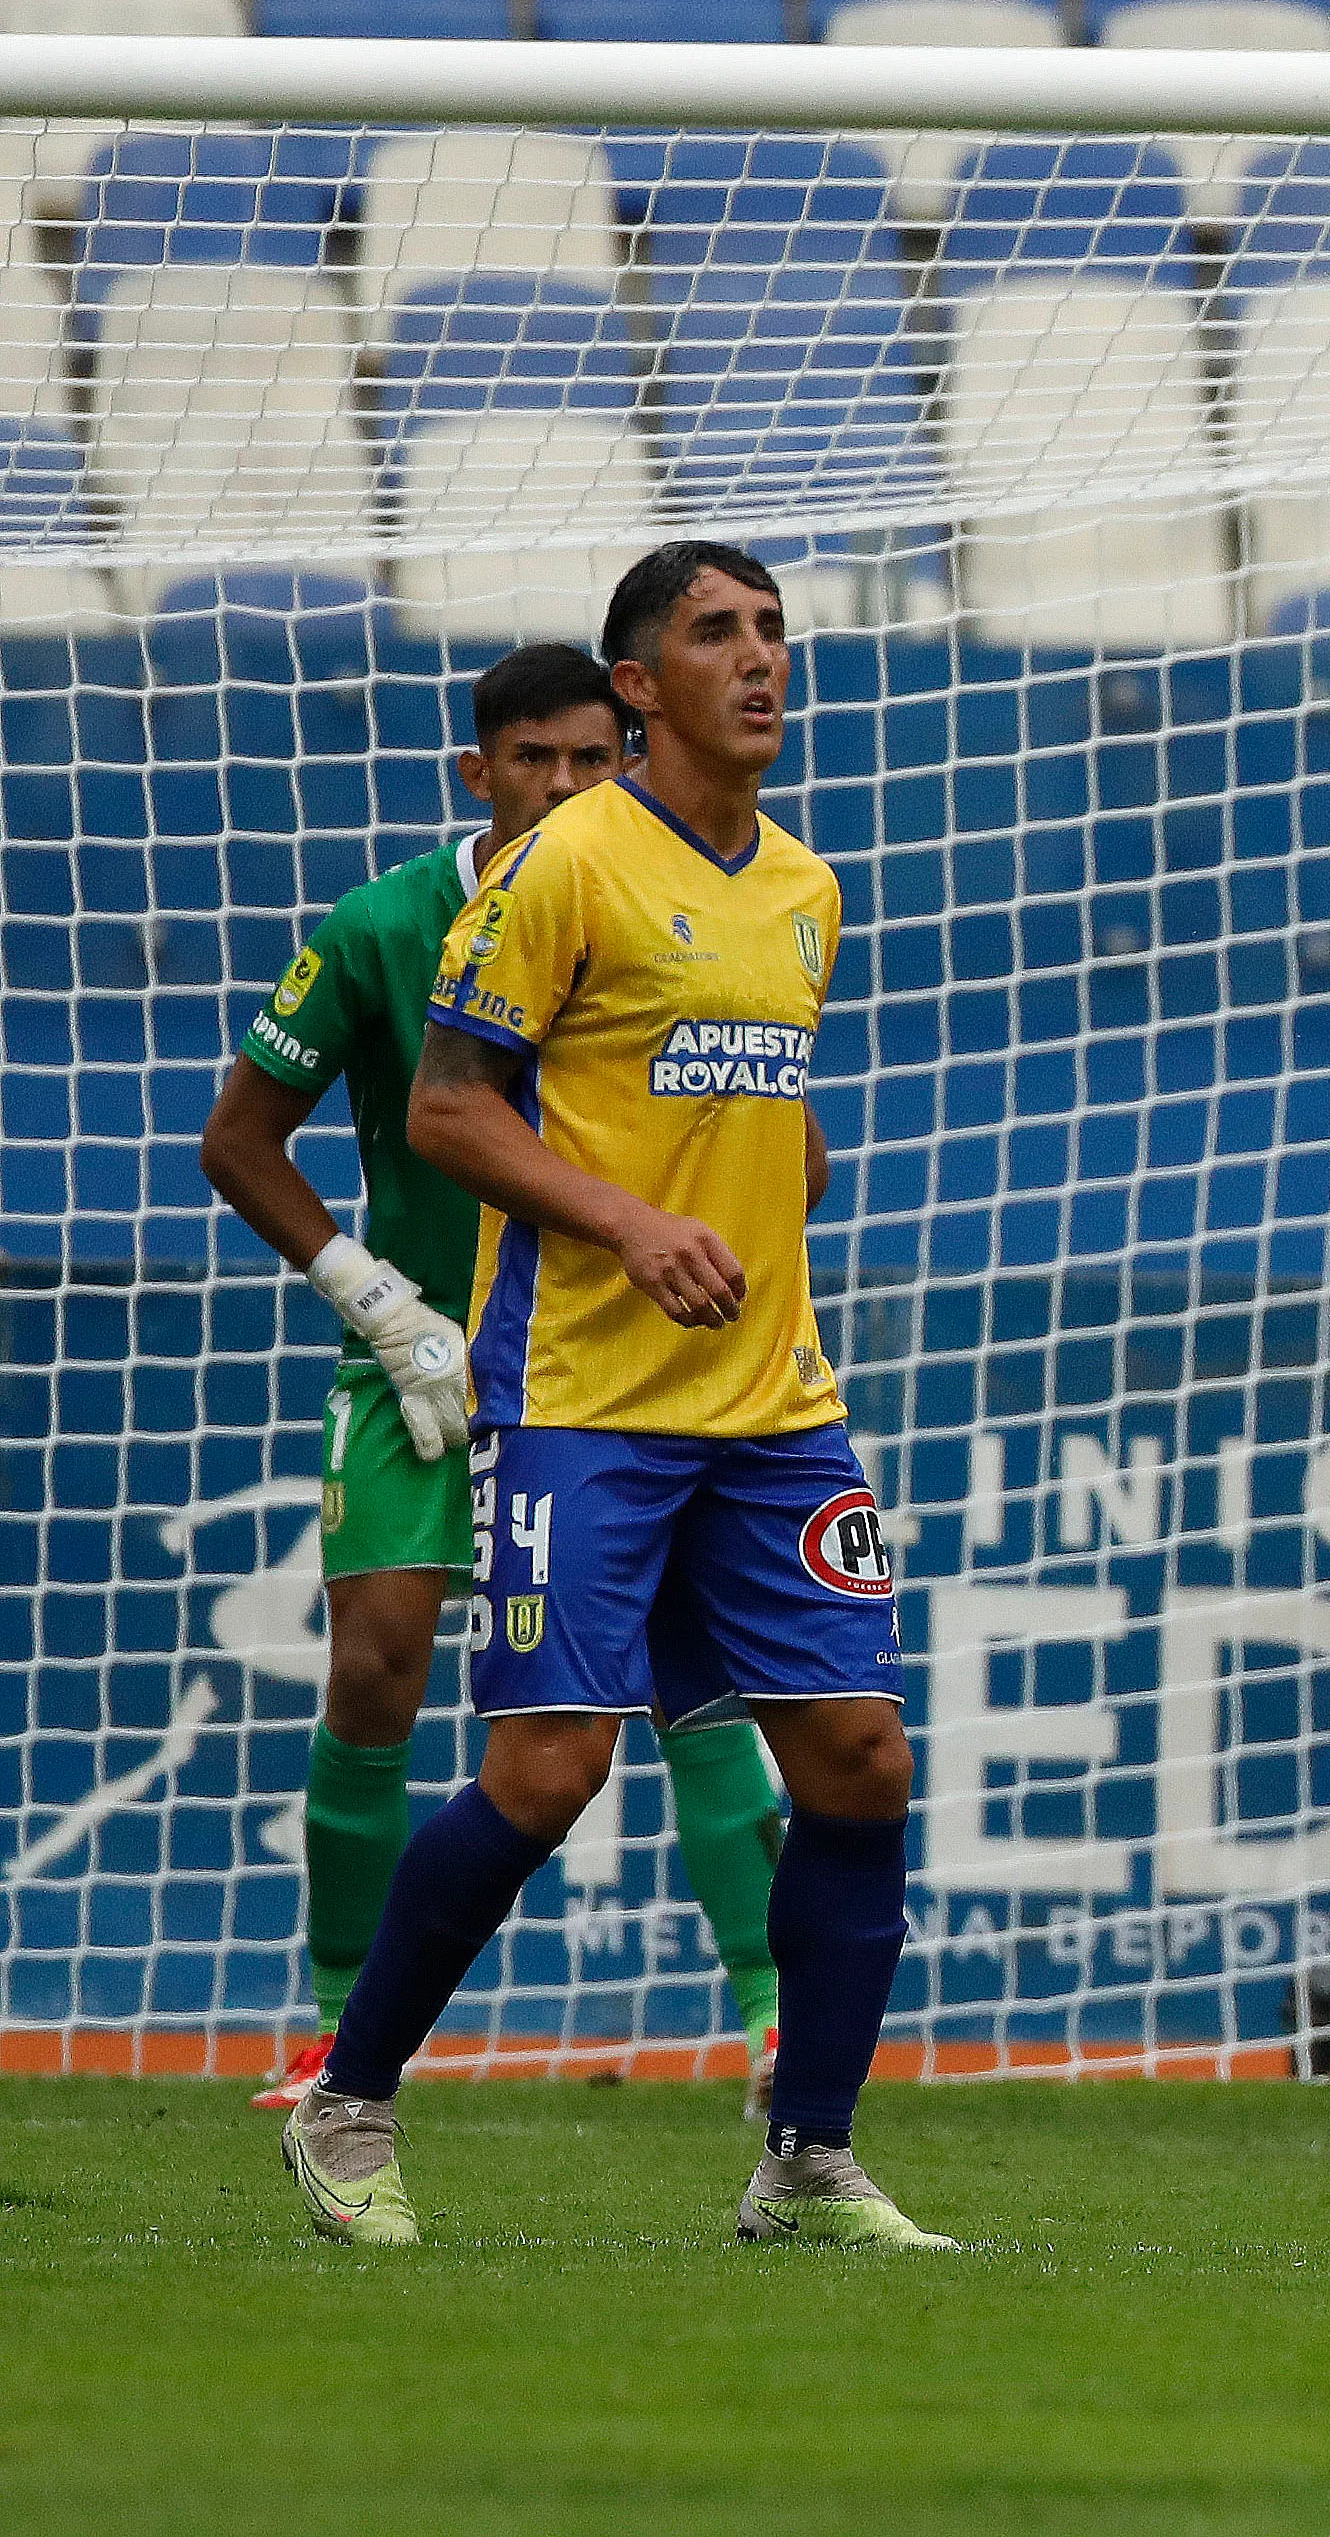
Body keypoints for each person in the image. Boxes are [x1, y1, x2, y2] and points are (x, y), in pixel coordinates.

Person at [279, 544, 945, 2253]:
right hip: (582, 1394)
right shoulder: (563, 863)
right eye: (717, 634)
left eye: (774, 631)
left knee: (861, 1759)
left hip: (776, 1404)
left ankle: (805, 2155)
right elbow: (447, 1109)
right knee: (551, 1768)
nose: (761, 660)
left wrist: (738, 1187)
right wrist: (634, 1219)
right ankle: (349, 2103)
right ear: (638, 684)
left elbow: (771, 1117)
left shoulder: (804, 884)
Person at [201, 644, 794, 2117]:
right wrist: (376, 1297)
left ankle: (778, 2017)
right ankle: (341, 2031)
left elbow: (789, 1145)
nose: (569, 787)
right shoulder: (382, 925)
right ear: (480, 772)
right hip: (419, 1354)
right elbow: (237, 1140)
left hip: (605, 1364)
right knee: (380, 1664)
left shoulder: (663, 914)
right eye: (536, 760)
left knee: (695, 1685)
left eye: (596, 761)